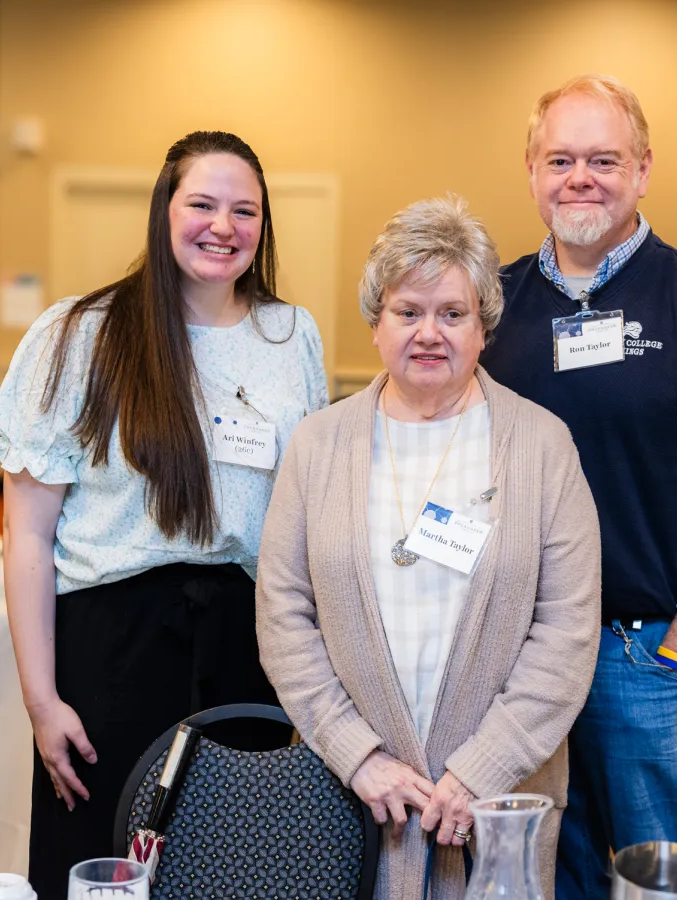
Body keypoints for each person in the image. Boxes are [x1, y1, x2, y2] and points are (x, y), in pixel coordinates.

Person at [0, 131, 328, 899]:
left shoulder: (291, 334)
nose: (224, 226)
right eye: (202, 203)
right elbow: (30, 537)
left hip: (247, 643)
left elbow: (304, 516)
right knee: (104, 862)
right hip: (111, 651)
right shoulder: (80, 334)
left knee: (235, 869)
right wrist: (42, 702)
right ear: (163, 209)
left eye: (246, 210)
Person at [479, 75, 677, 897]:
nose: (580, 176)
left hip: (645, 655)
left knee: (663, 877)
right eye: (561, 159)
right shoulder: (490, 307)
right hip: (517, 657)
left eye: (604, 159)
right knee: (543, 869)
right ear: (532, 170)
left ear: (644, 170)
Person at [256, 195, 601, 900]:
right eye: (407, 312)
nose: (429, 333)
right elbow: (284, 614)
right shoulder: (318, 446)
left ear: (484, 328)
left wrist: (483, 766)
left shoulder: (542, 446)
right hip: (349, 797)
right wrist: (359, 755)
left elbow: (567, 629)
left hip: (500, 807)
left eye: (452, 313)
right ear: (376, 325)